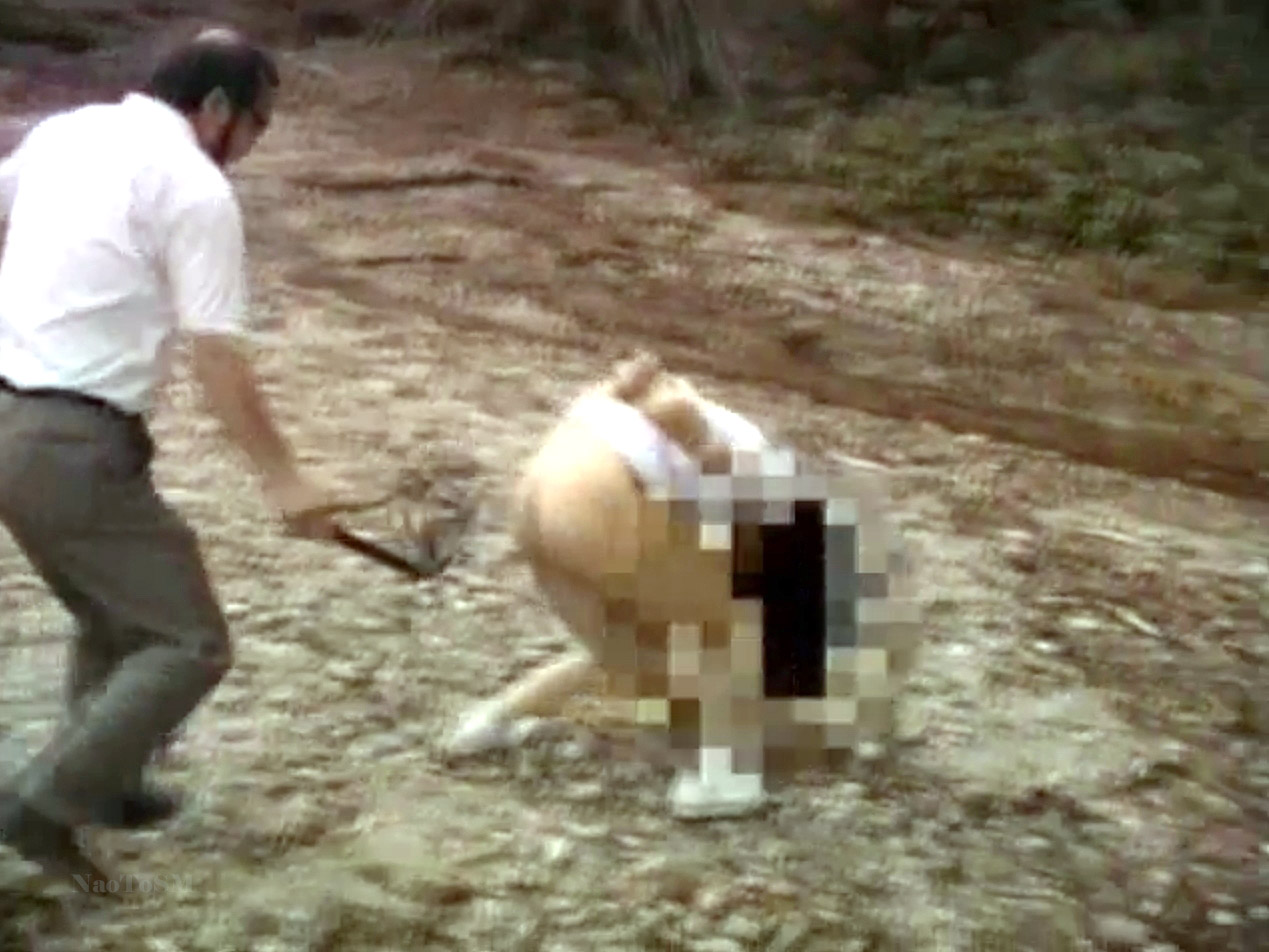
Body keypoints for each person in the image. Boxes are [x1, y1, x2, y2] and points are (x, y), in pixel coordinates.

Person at [0, 26, 367, 883]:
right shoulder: (196, 189)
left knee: (115, 615)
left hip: (13, 416)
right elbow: (217, 357)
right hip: (69, 440)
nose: (254, 143)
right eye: (257, 124)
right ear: (216, 107)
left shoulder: (67, 132)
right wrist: (285, 480)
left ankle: (107, 782)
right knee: (188, 642)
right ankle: (40, 808)